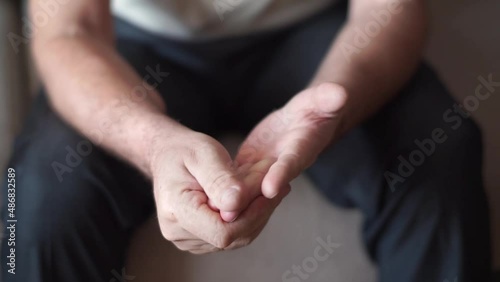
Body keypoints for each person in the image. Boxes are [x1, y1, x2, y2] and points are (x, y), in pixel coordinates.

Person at [1, 0, 492, 281]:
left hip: (316, 27)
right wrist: (152, 144)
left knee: (441, 158)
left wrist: (328, 112)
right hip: (130, 41)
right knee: (36, 202)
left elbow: (391, 9)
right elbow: (68, 29)